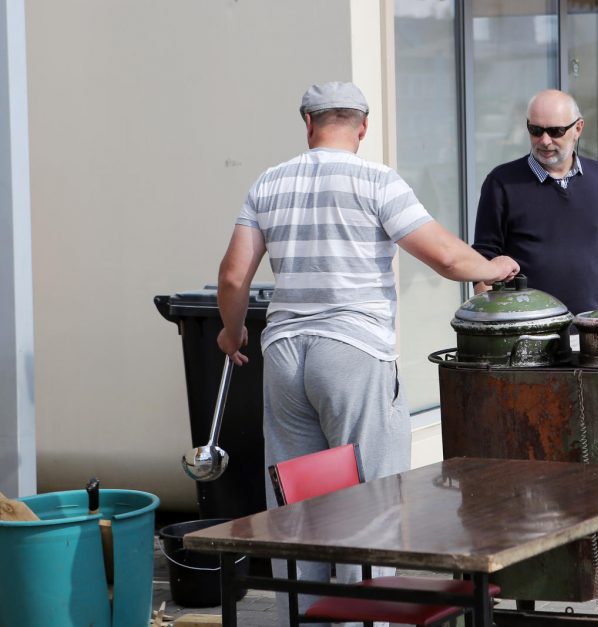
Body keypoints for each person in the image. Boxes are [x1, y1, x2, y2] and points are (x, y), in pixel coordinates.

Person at [215, 80, 519, 624]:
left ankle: (301, 617)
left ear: (307, 124)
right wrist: (493, 268)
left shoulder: (269, 182)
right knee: (372, 498)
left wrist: (230, 332)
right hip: (353, 350)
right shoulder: (377, 180)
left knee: (296, 504)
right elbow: (447, 258)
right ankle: (368, 621)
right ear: (363, 126)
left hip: (285, 354)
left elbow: (235, 275)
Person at [472, 89, 598, 315]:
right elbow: (484, 260)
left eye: (555, 131)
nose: (545, 141)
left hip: (588, 329)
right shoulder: (501, 183)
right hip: (525, 331)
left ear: (578, 128)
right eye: (536, 130)